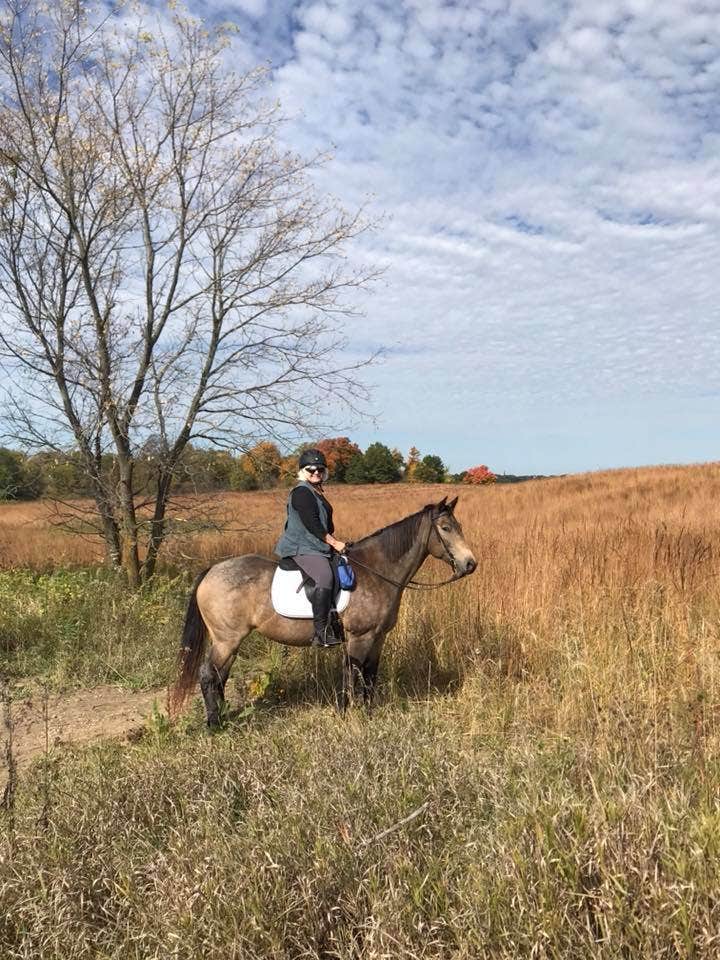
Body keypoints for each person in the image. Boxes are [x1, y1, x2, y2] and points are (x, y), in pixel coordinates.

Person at [274, 449, 347, 647]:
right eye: (311, 469)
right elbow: (312, 524)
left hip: (317, 546)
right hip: (301, 547)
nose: (316, 472)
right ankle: (320, 633)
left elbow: (326, 526)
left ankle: (336, 621)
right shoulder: (301, 492)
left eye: (320, 469)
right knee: (324, 576)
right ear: (302, 471)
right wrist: (334, 543)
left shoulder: (316, 492)